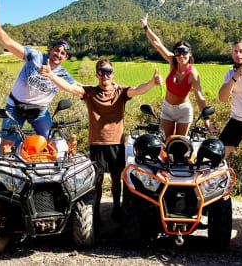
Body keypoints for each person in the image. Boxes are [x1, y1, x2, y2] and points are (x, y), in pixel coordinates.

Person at [40, 59, 162, 222]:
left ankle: (116, 208)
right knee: (97, 181)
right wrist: (50, 75)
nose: (105, 75)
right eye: (102, 71)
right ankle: (95, 212)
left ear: (113, 73)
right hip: (97, 143)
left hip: (116, 143)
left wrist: (152, 83)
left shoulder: (121, 92)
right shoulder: (89, 92)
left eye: (108, 71)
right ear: (97, 74)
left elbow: (138, 90)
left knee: (116, 179)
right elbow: (69, 87)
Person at [0, 0, 74, 153]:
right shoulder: (35, 56)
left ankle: (47, 175)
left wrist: (108, 85)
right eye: (57, 50)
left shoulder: (63, 74)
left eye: (63, 53)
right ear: (51, 48)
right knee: (6, 144)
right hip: (15, 107)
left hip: (40, 111)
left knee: (50, 144)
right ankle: (4, 176)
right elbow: (8, 43)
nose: (58, 54)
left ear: (65, 58)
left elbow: (79, 88)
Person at [139, 14, 214, 138]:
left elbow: (199, 95)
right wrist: (146, 27)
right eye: (178, 53)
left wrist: (206, 119)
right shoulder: (173, 62)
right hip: (167, 108)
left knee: (179, 144)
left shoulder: (192, 73)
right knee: (166, 142)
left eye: (184, 52)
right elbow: (158, 44)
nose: (181, 56)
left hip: (183, 111)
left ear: (190, 54)